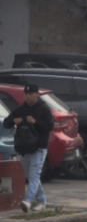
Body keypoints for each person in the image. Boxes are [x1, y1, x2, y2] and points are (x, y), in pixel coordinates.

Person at [3, 84, 54, 213]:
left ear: (37, 94)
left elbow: (49, 126)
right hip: (23, 148)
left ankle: (28, 200)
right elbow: (6, 123)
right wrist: (15, 121)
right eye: (26, 94)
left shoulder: (43, 109)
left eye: (31, 93)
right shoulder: (20, 109)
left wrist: (35, 122)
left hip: (39, 148)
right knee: (31, 177)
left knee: (34, 175)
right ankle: (41, 200)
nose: (28, 96)